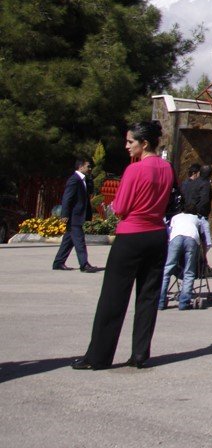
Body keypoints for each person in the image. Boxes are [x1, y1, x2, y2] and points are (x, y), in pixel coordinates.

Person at [73, 121, 174, 370]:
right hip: (157, 235)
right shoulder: (167, 169)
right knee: (148, 297)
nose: (127, 146)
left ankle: (98, 357)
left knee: (113, 297)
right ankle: (140, 354)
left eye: (130, 142)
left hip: (131, 235)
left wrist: (117, 208)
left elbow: (120, 207)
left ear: (144, 143)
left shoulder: (134, 170)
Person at [158, 210, 210, 310]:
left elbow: (169, 232)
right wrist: (204, 256)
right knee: (189, 272)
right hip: (192, 239)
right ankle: (184, 303)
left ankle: (160, 301)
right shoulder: (198, 219)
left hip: (176, 238)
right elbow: (203, 238)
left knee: (167, 269)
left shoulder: (175, 217)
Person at [53, 157, 99, 272]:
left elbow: (90, 192)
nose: (90, 169)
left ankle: (58, 262)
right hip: (74, 217)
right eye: (88, 166)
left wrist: (89, 179)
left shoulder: (83, 179)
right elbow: (67, 198)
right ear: (81, 166)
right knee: (79, 241)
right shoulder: (74, 180)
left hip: (77, 216)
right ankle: (84, 264)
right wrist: (64, 215)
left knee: (68, 241)